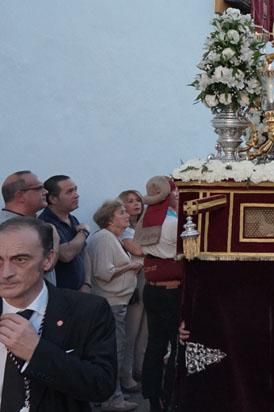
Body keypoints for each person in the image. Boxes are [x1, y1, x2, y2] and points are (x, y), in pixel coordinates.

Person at [0, 216, 116, 409]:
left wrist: (37, 353)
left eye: (20, 259)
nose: (6, 273)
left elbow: (101, 385)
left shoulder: (88, 310)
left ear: (48, 260)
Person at [87, 199, 143, 411]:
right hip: (111, 302)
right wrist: (130, 267)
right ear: (110, 218)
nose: (127, 214)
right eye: (121, 212)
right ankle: (112, 399)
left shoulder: (112, 238)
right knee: (114, 350)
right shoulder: (104, 239)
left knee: (116, 348)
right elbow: (103, 272)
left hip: (118, 301)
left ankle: (111, 394)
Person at [136, 176, 183, 412]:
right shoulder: (173, 222)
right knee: (175, 344)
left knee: (155, 344)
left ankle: (152, 397)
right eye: (175, 192)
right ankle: (169, 394)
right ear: (169, 194)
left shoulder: (145, 218)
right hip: (171, 290)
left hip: (152, 287)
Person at [0, 170, 59, 285]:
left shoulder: (33, 223)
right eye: (39, 188)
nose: (45, 192)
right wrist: (54, 239)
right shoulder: (8, 229)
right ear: (20, 196)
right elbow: (44, 265)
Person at [39, 174, 90, 291]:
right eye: (69, 192)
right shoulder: (45, 223)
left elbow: (84, 253)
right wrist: (84, 232)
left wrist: (87, 283)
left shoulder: (73, 219)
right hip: (60, 294)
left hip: (80, 293)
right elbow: (65, 255)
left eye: (76, 190)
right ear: (53, 199)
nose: (76, 195)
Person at [118, 189, 146, 391]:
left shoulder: (141, 226)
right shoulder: (126, 231)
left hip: (148, 279)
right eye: (130, 201)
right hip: (135, 281)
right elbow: (138, 250)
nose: (136, 204)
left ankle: (140, 368)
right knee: (131, 330)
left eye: (138, 200)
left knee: (145, 330)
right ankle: (125, 375)